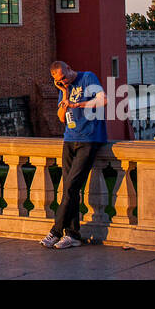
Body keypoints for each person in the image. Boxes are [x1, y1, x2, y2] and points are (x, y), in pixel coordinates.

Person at [41, 60, 107, 249]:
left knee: (70, 187)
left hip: (89, 139)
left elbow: (104, 100)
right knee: (70, 189)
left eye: (64, 76)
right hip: (69, 139)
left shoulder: (88, 77)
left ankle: (55, 231)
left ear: (69, 68)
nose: (64, 80)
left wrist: (78, 105)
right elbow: (62, 117)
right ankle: (73, 235)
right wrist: (64, 92)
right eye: (59, 80)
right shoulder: (65, 89)